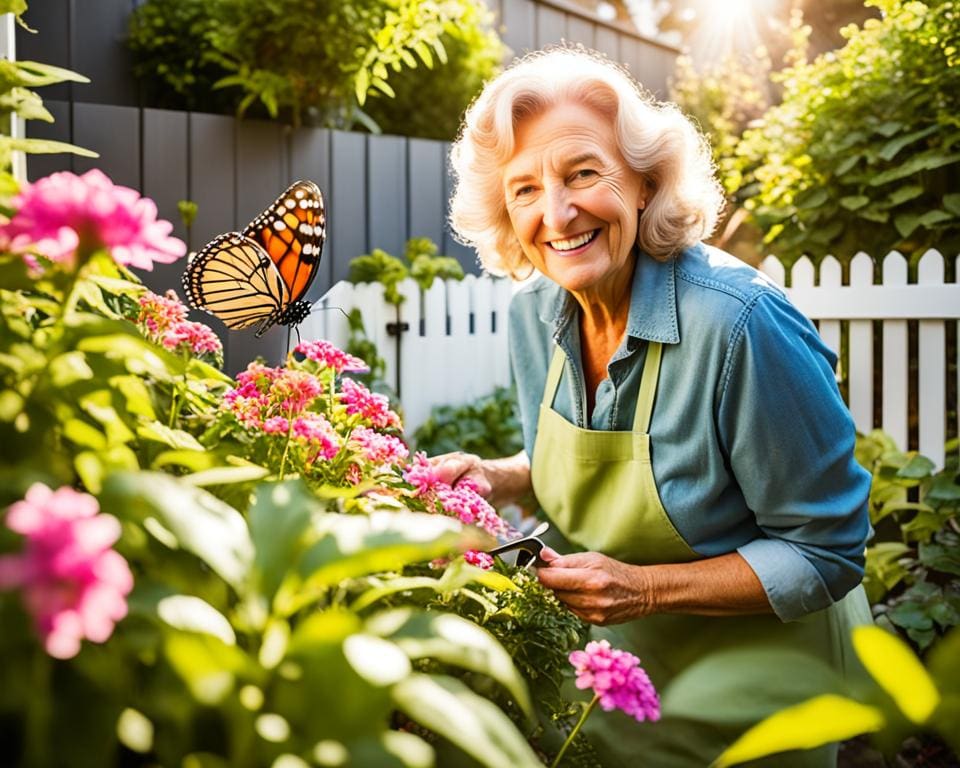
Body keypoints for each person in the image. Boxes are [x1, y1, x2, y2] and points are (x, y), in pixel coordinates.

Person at [434, 46, 873, 767]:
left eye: (582, 173)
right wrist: (504, 475)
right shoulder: (533, 315)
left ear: (643, 182)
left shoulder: (741, 326)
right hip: (615, 695)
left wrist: (643, 589)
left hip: (756, 709)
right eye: (525, 189)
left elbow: (825, 550)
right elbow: (594, 467)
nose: (558, 212)